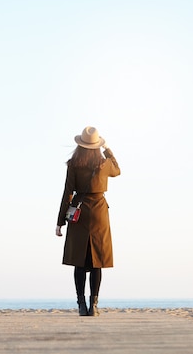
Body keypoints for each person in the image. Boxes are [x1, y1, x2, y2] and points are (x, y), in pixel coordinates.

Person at [56, 126, 121, 316]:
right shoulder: (104, 163)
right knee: (97, 261)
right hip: (100, 212)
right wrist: (107, 148)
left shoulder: (74, 164)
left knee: (79, 260)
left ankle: (81, 305)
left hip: (79, 211)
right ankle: (94, 305)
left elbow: (68, 192)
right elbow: (118, 170)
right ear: (97, 146)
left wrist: (60, 221)